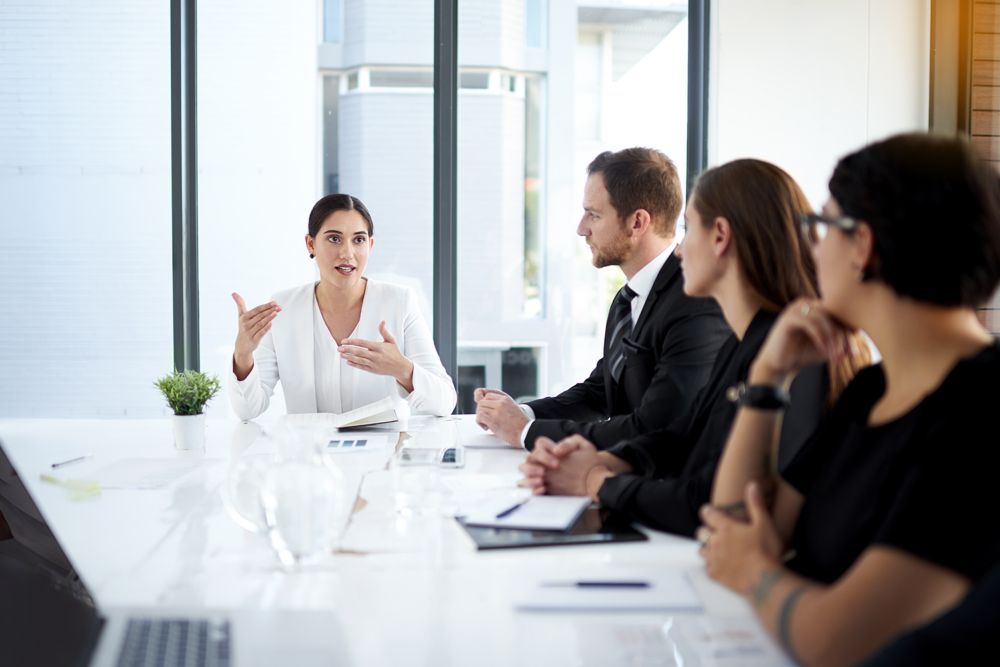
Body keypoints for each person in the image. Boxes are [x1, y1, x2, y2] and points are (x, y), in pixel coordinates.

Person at [698, 133, 1000, 667]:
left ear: (862, 246)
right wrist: (768, 377)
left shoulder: (982, 408)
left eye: (822, 226)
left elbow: (837, 640)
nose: (811, 247)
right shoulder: (871, 389)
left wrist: (755, 572)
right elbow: (732, 524)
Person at [519, 159, 862, 537]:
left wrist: (595, 480)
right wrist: (600, 459)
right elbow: (683, 433)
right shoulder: (744, 340)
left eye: (687, 229)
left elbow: (707, 497)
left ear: (719, 236)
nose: (678, 250)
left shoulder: (790, 354)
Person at [475, 148, 730, 450]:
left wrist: (526, 432)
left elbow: (654, 427)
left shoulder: (694, 303)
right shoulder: (627, 299)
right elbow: (601, 392)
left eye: (593, 214)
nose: (582, 228)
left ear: (637, 223)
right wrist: (523, 413)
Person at [228, 194, 457, 420]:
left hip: (382, 454)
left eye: (358, 240)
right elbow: (248, 410)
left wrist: (402, 369)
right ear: (311, 244)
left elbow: (445, 401)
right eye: (334, 239)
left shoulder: (400, 302)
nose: (347, 254)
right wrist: (243, 353)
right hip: (308, 454)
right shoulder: (282, 309)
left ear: (370, 245)